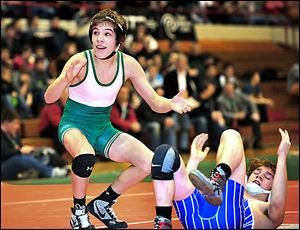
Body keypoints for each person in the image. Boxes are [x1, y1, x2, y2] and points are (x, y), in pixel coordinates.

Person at [43, 9, 192, 229]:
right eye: (96, 33)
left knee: (148, 162)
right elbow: (49, 97)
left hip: (103, 128)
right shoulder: (80, 60)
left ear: (119, 40)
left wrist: (170, 103)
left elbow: (153, 101)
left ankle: (104, 202)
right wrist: (65, 79)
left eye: (107, 34)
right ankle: (78, 212)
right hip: (74, 125)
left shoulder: (128, 64)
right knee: (85, 156)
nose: (99, 39)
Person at [152, 127, 291, 229]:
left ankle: (218, 179)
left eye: (268, 177)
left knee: (232, 135)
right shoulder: (225, 189)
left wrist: (282, 156)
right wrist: (194, 159)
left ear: (273, 190)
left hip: (227, 218)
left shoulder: (265, 209)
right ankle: (163, 220)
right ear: (247, 177)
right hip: (194, 215)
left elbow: (278, 202)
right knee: (165, 153)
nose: (260, 175)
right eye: (257, 172)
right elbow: (185, 186)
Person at [1, 109, 69, 180]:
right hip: (4, 166)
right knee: (19, 159)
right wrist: (20, 151)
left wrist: (17, 141)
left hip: (14, 162)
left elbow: (19, 147)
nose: (17, 126)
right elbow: (4, 154)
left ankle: (60, 166)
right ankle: (51, 172)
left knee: (42, 153)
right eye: (15, 123)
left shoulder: (13, 134)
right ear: (6, 123)